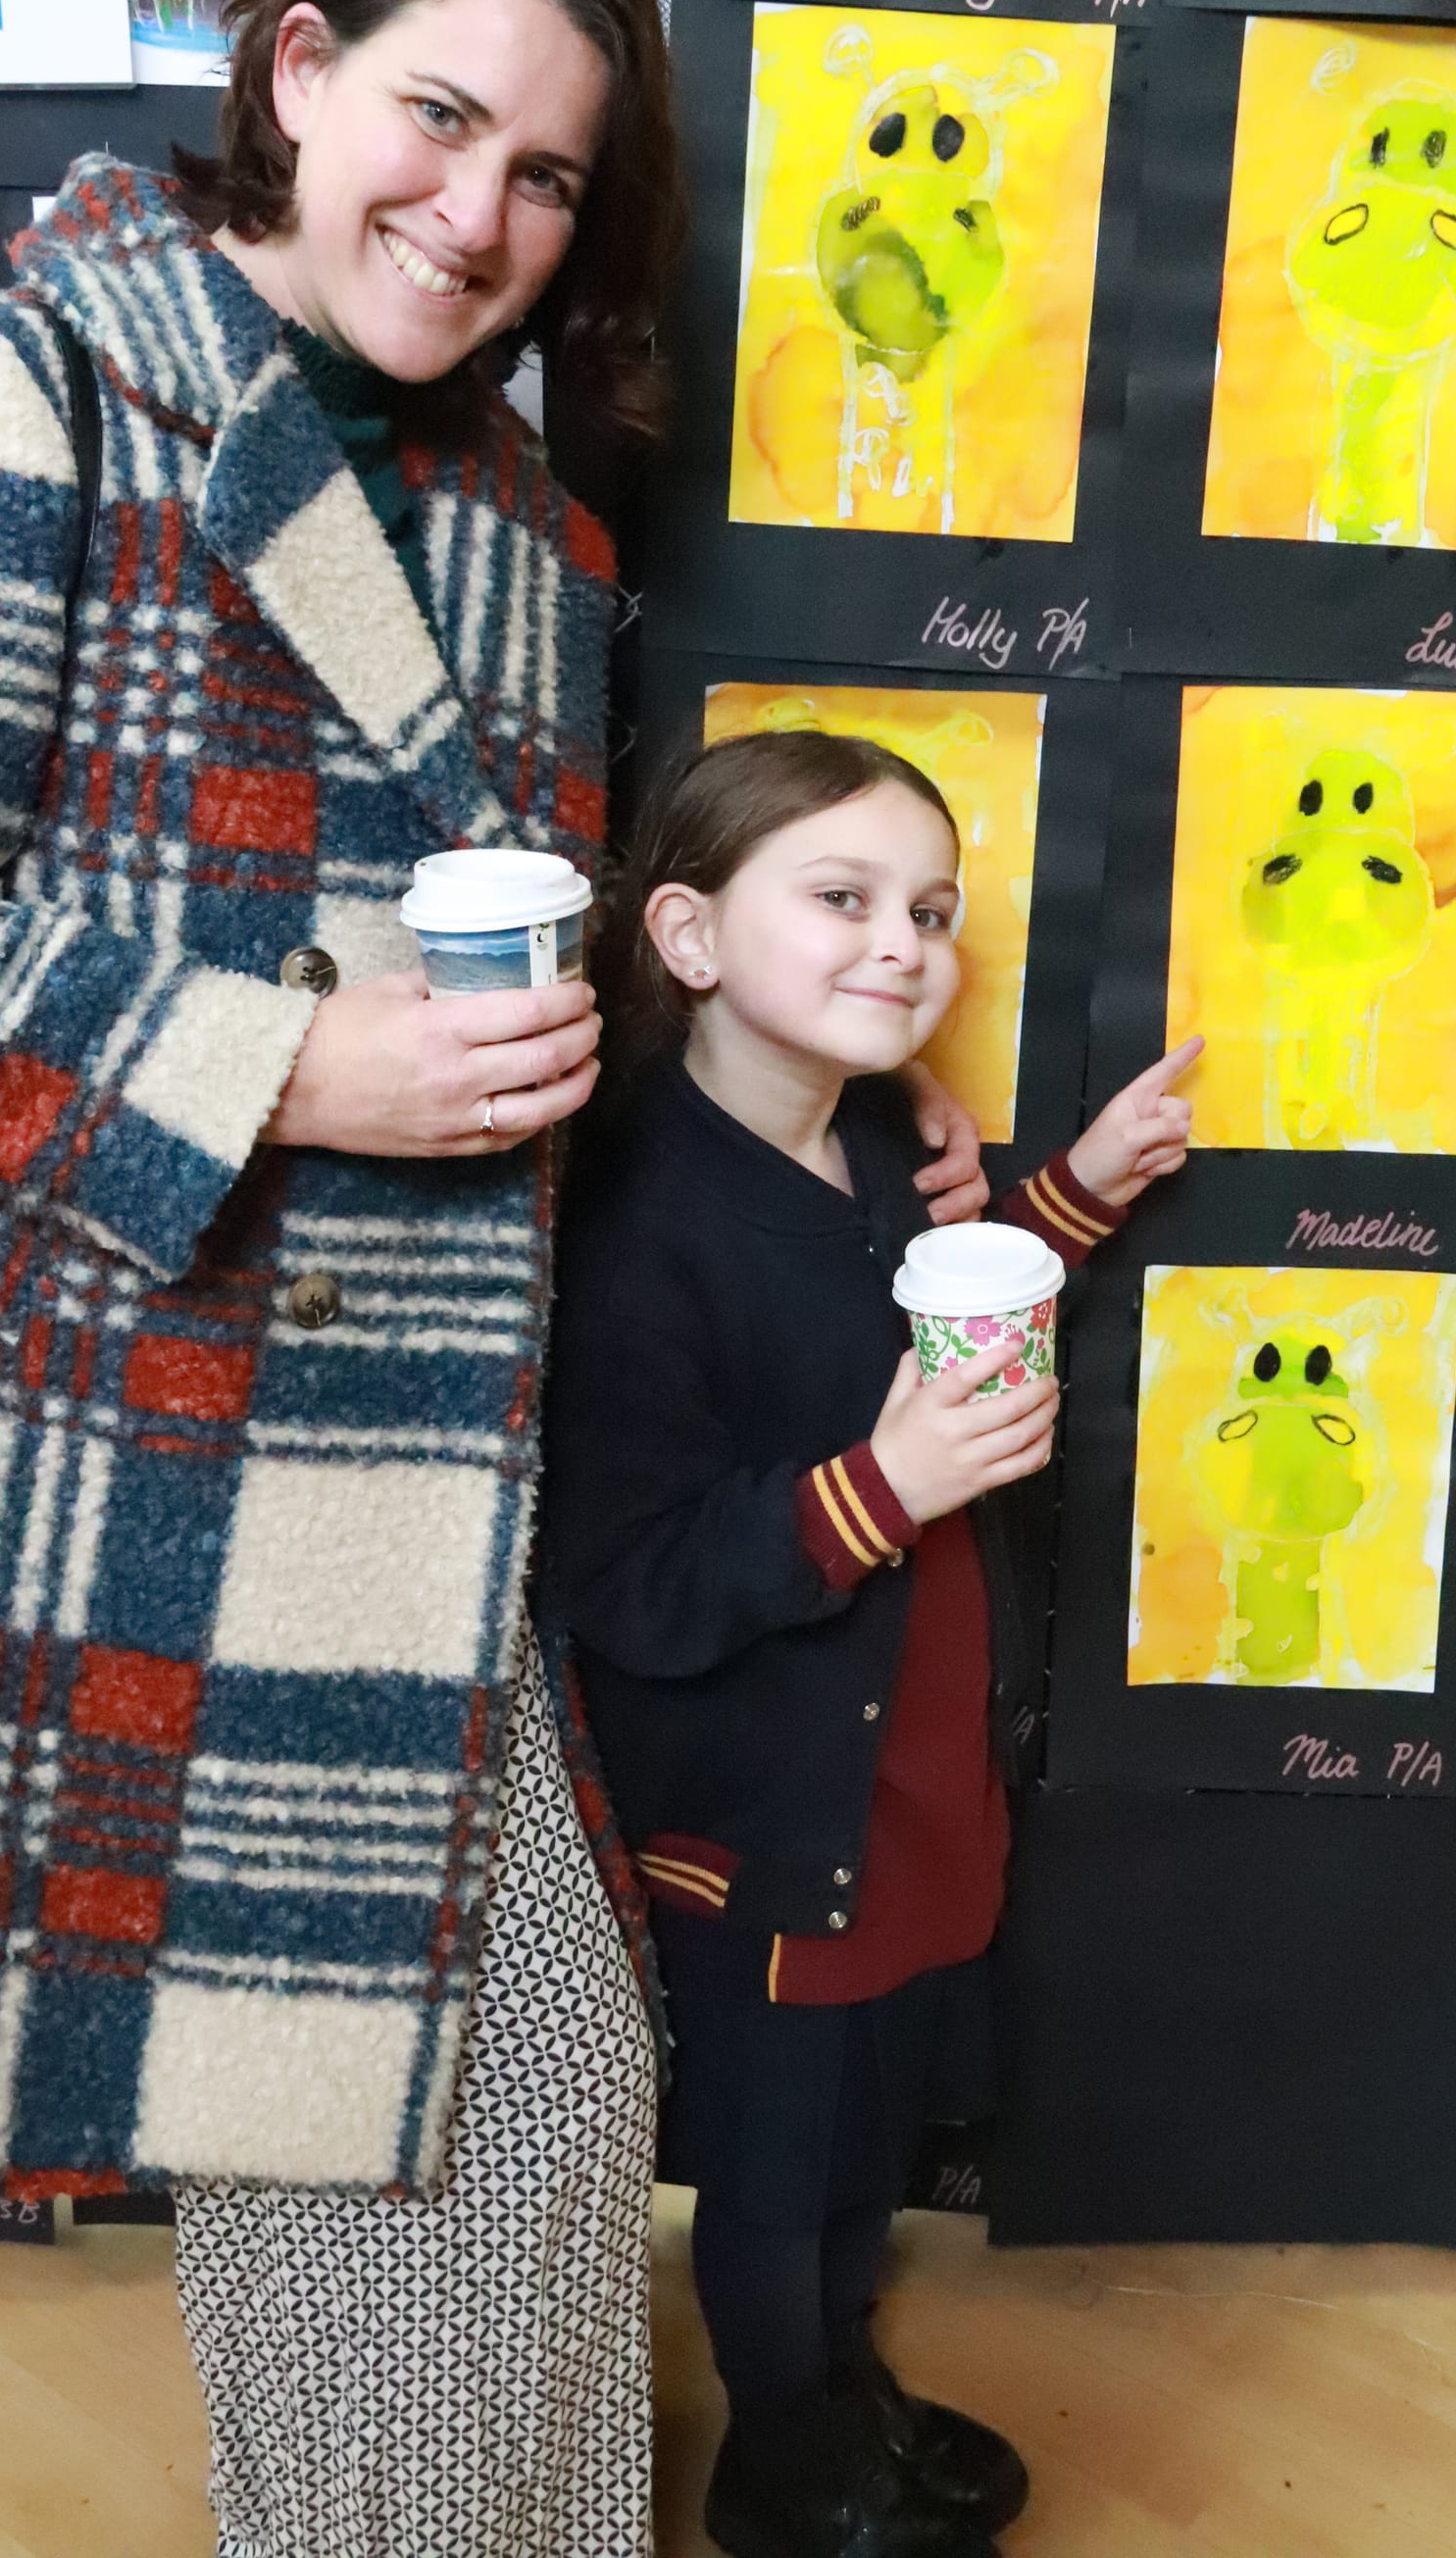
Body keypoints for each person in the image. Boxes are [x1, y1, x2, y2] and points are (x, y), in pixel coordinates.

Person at [0, 0, 971, 2553]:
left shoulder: (534, 540)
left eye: (548, 173)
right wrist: (290, 1065)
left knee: (530, 2116)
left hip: (449, 1469)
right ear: (299, 71)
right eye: (439, 119)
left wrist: (828, 1109)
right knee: (407, 2160)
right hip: (125, 1444)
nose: (479, 216)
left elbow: (528, 1028)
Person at [543, 730, 1199, 2558]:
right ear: (687, 936)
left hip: (909, 1769)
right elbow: (635, 1582)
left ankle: (842, 2386)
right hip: (772, 1805)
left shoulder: (876, 1143)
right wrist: (885, 1485)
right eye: (842, 898)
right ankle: (784, 2454)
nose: (902, 943)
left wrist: (1080, 1191)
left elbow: (944, 1314)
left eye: (930, 908)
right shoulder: (640, 1221)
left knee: (866, 2134)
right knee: (779, 2159)